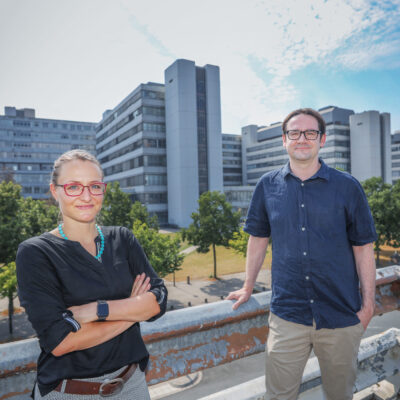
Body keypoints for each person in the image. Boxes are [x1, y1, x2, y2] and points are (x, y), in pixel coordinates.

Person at [227, 108, 377, 400]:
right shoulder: (266, 186)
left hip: (341, 315)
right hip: (287, 316)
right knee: (279, 396)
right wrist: (247, 286)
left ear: (322, 139)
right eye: (294, 133)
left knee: (339, 396)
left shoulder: (348, 187)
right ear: (284, 140)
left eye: (310, 133)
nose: (302, 139)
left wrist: (368, 307)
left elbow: (364, 248)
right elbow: (257, 239)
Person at [16, 149, 167, 399]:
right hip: (70, 391)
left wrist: (98, 310)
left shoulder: (122, 238)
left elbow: (159, 300)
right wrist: (134, 309)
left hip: (132, 385)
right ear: (55, 191)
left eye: (94, 186)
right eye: (73, 187)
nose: (86, 196)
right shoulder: (36, 253)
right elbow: (61, 341)